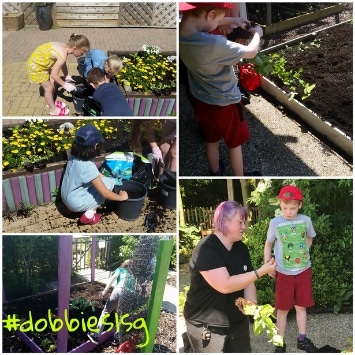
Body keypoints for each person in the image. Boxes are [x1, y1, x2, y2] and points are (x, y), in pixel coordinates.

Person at [179, 3, 263, 176]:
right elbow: (251, 52)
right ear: (210, 15)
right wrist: (258, 34)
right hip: (227, 103)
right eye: (218, 19)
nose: (219, 22)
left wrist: (234, 19)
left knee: (211, 140)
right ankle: (240, 177)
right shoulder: (213, 43)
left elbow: (203, 18)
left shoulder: (180, 33)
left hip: (201, 101)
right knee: (234, 144)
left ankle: (216, 171)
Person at [184, 200, 277, 352]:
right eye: (240, 222)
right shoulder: (207, 248)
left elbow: (248, 281)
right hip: (207, 325)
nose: (244, 227)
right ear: (224, 221)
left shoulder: (241, 248)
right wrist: (261, 271)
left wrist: (251, 304)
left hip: (237, 323)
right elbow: (225, 285)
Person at [264, 185, 317, 353]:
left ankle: (302, 339)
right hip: (284, 273)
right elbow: (268, 244)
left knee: (301, 306)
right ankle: (280, 342)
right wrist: (268, 264)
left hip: (303, 271)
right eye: (285, 207)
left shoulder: (305, 220)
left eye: (292, 208)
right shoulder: (275, 223)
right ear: (279, 204)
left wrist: (303, 253)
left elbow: (309, 238)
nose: (288, 211)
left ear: (299, 205)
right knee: (283, 309)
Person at [60, 124, 128, 225]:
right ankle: (89, 215)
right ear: (96, 145)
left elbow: (95, 175)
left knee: (107, 181)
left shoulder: (74, 156)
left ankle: (73, 210)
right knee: (108, 185)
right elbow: (106, 194)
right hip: (75, 203)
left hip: (65, 198)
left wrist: (108, 178)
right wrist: (122, 197)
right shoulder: (88, 166)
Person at [27, 33, 90, 116]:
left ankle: (50, 102)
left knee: (53, 82)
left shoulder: (65, 47)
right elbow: (54, 74)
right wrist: (65, 85)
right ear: (75, 48)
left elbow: (63, 64)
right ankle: (53, 110)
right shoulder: (62, 55)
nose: (81, 55)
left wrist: (66, 75)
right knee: (48, 88)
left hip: (41, 61)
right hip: (36, 67)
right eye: (81, 53)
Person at [88, 259, 134, 344]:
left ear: (124, 265)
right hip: (130, 295)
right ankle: (116, 338)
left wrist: (105, 291)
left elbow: (113, 278)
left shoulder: (121, 270)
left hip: (119, 290)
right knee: (123, 316)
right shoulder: (133, 275)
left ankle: (96, 336)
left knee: (106, 312)